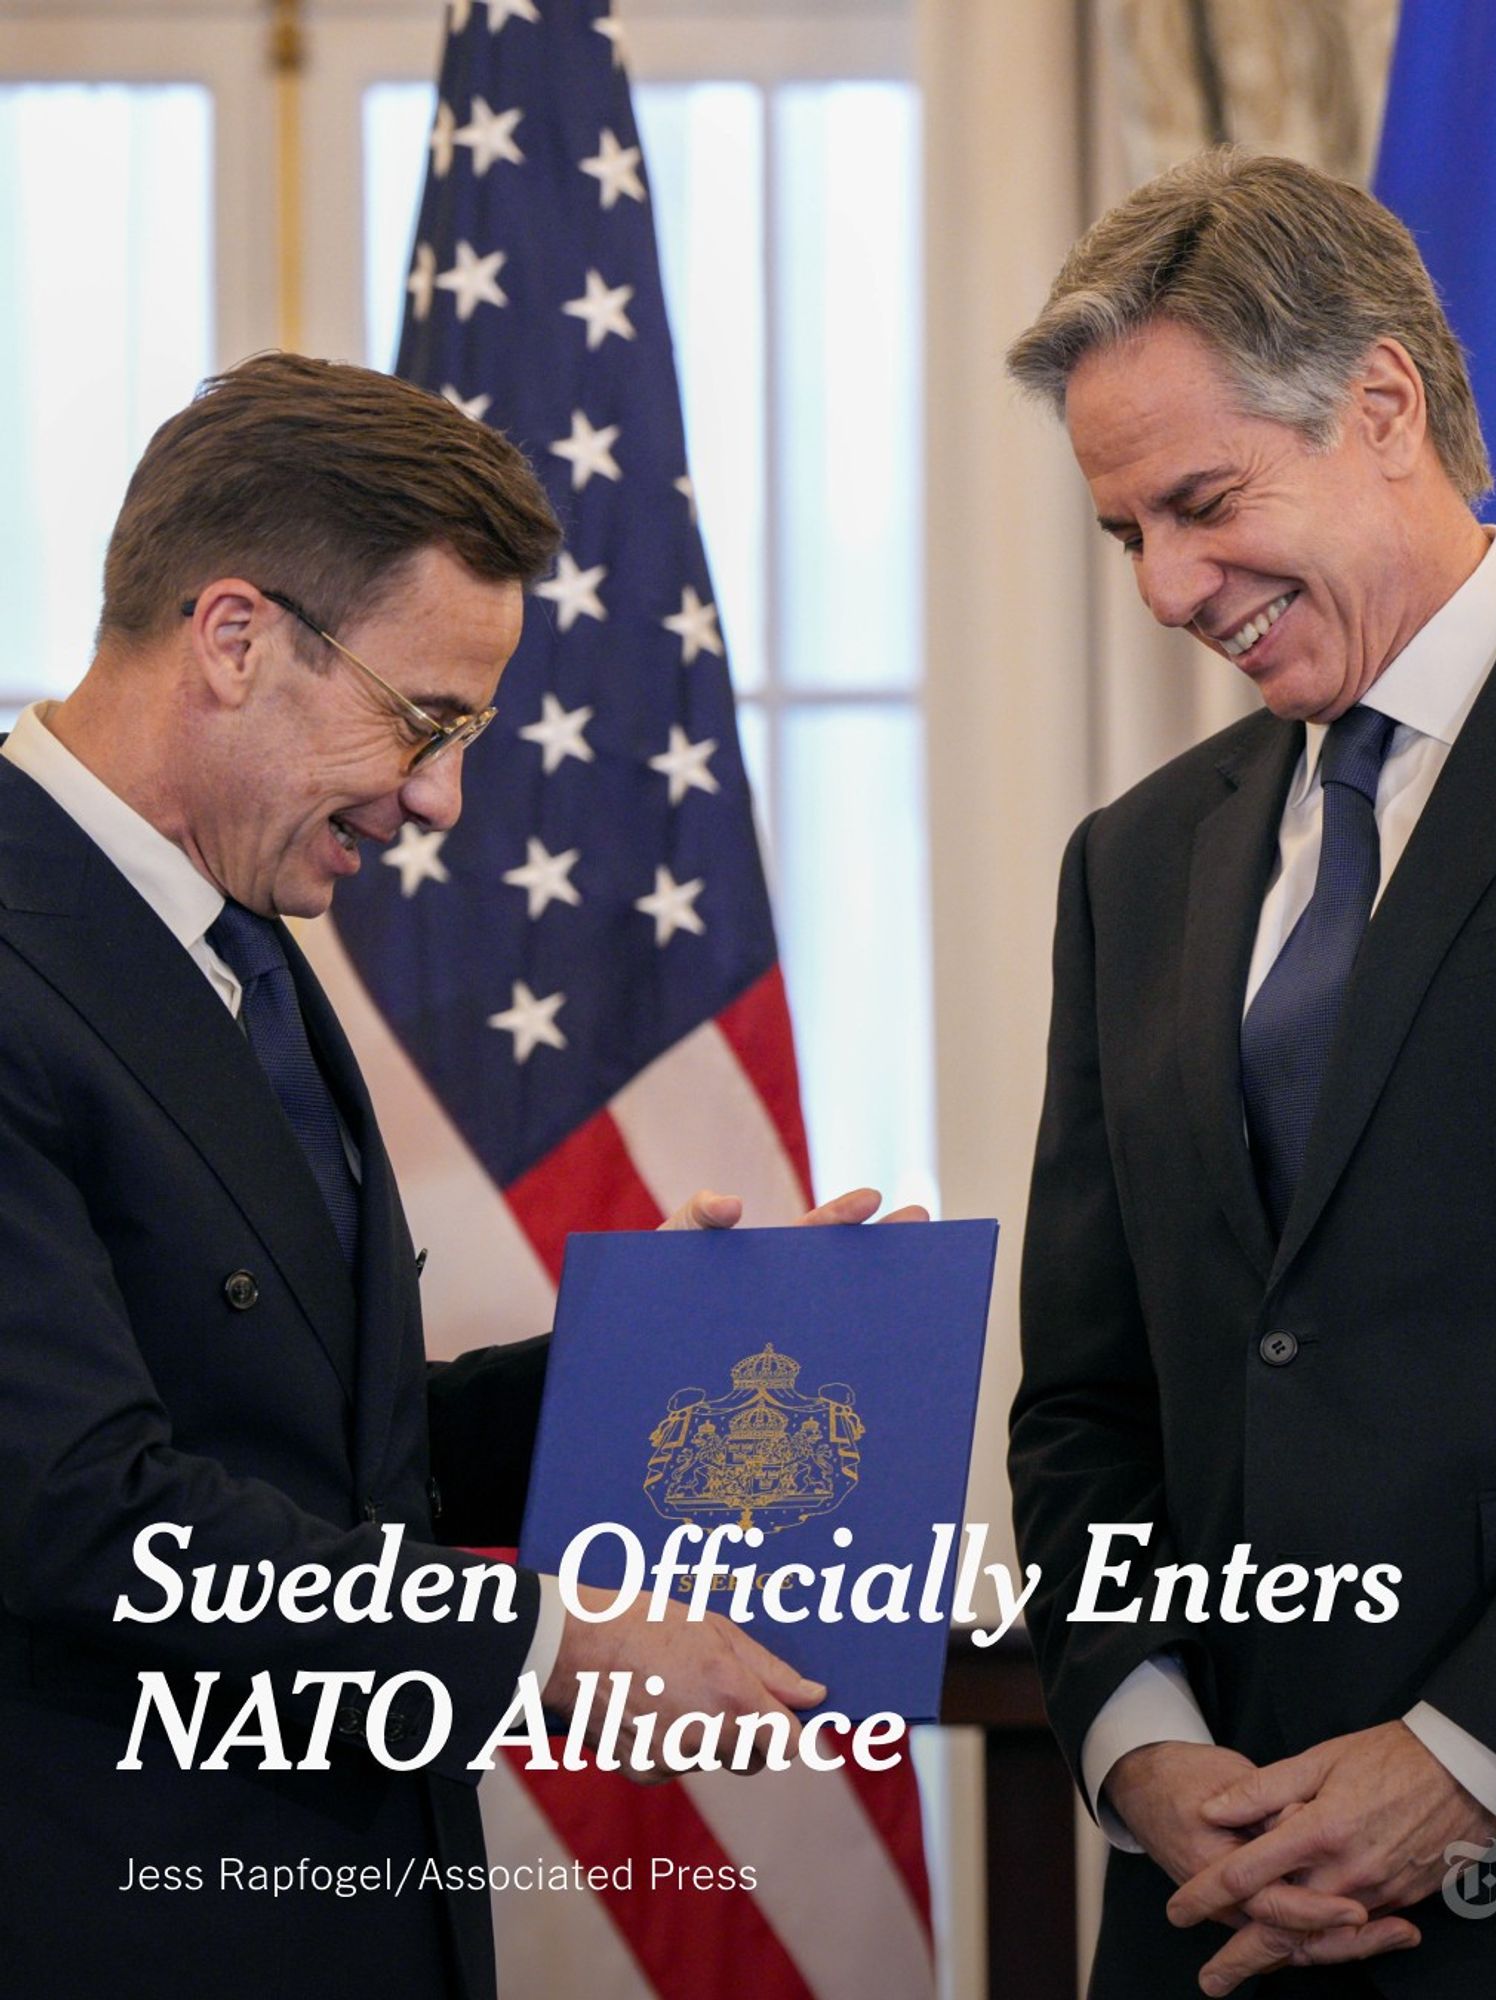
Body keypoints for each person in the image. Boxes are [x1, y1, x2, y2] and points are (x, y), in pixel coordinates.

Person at [0, 352, 912, 1999]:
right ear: (234, 638)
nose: (441, 797)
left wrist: (676, 1362)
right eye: (424, 722)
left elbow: (311, 1436)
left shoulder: (238, 943)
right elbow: (78, 1517)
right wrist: (557, 1644)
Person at [1006, 150, 1496, 1999]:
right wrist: (1140, 1745)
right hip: (1210, 1920)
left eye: (1201, 504)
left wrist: (1470, 1757)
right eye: (1126, 538)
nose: (1171, 589)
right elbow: (1090, 1403)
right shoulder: (1136, 860)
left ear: (1382, 405)